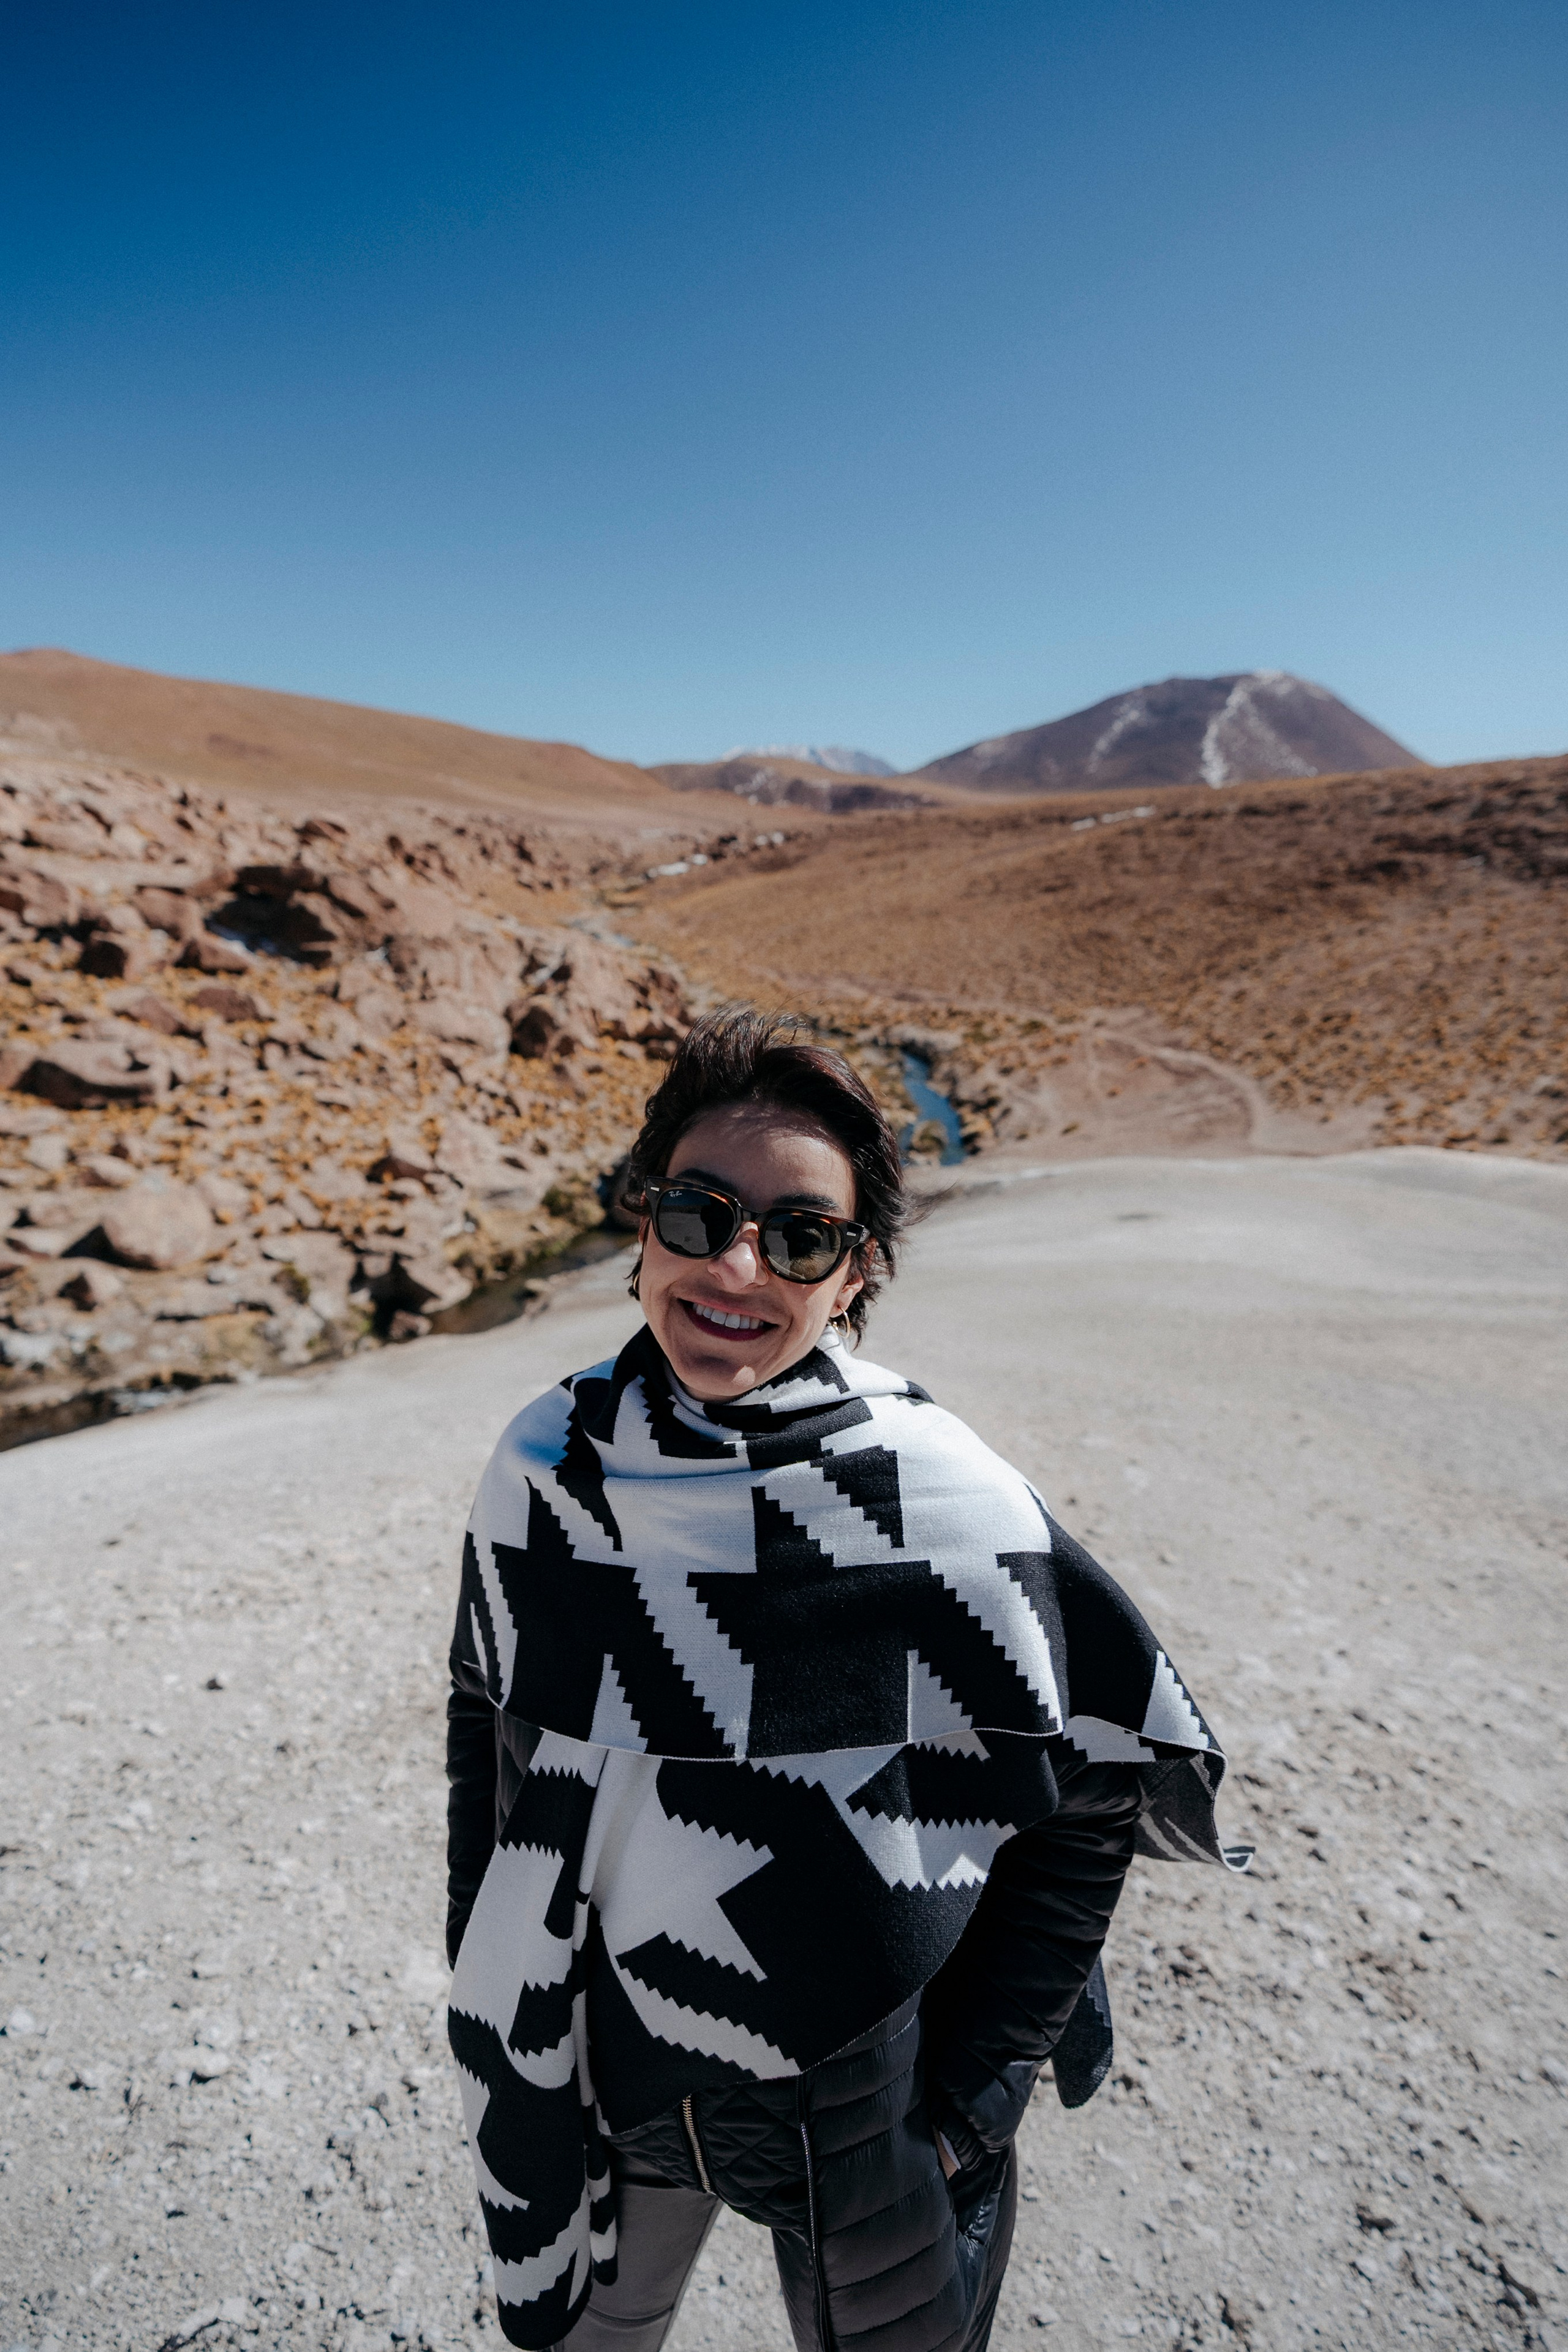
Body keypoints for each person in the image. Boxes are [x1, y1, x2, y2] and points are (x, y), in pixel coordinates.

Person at [445, 1009, 1243, 2352]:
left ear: (855, 1271)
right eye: (699, 1214)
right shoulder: (545, 1471)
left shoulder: (942, 1501)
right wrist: (499, 2020)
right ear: (642, 1221)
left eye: (798, 1235)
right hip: (607, 2083)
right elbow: (490, 1754)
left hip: (857, 2120)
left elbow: (1096, 1779)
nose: (737, 1266)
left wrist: (974, 2105)